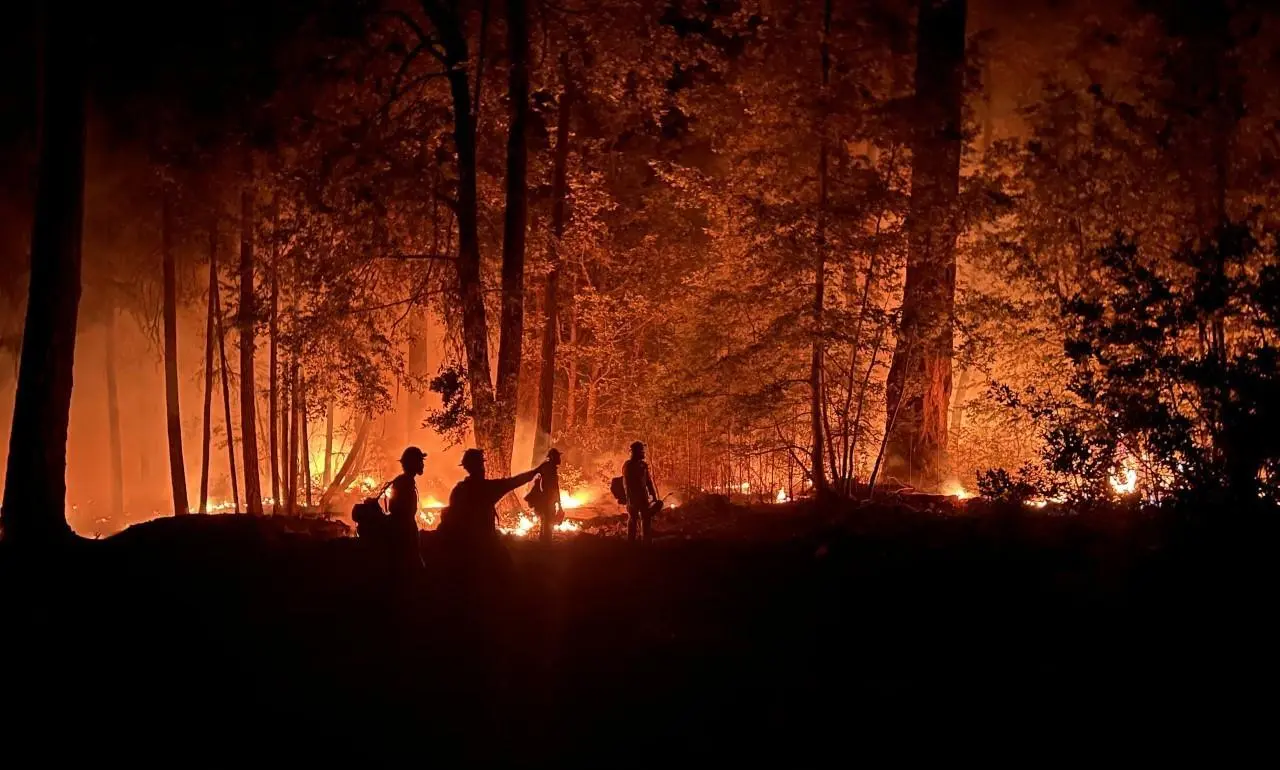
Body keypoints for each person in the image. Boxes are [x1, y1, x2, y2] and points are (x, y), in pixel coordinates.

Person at [440, 448, 548, 547]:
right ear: (480, 467)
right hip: (483, 543)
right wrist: (536, 471)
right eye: (481, 465)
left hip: (462, 542)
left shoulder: (458, 490)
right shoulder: (487, 488)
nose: (483, 469)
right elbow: (514, 482)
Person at [387, 446, 427, 568]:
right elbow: (395, 509)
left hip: (405, 530)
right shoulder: (404, 483)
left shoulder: (404, 482)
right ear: (412, 463)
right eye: (420, 461)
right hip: (404, 532)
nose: (422, 465)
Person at [622, 441, 660, 543]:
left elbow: (648, 482)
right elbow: (627, 484)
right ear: (635, 452)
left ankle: (646, 542)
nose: (643, 453)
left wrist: (653, 496)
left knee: (646, 518)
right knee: (633, 519)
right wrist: (630, 500)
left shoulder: (643, 465)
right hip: (633, 498)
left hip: (643, 497)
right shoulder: (628, 466)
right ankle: (631, 543)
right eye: (641, 451)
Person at [525, 448, 563, 544]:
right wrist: (557, 501)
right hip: (548, 497)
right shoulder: (549, 468)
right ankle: (547, 541)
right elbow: (554, 486)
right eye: (558, 456)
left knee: (545, 518)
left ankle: (543, 539)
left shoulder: (547, 466)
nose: (559, 459)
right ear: (553, 457)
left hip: (547, 497)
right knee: (548, 518)